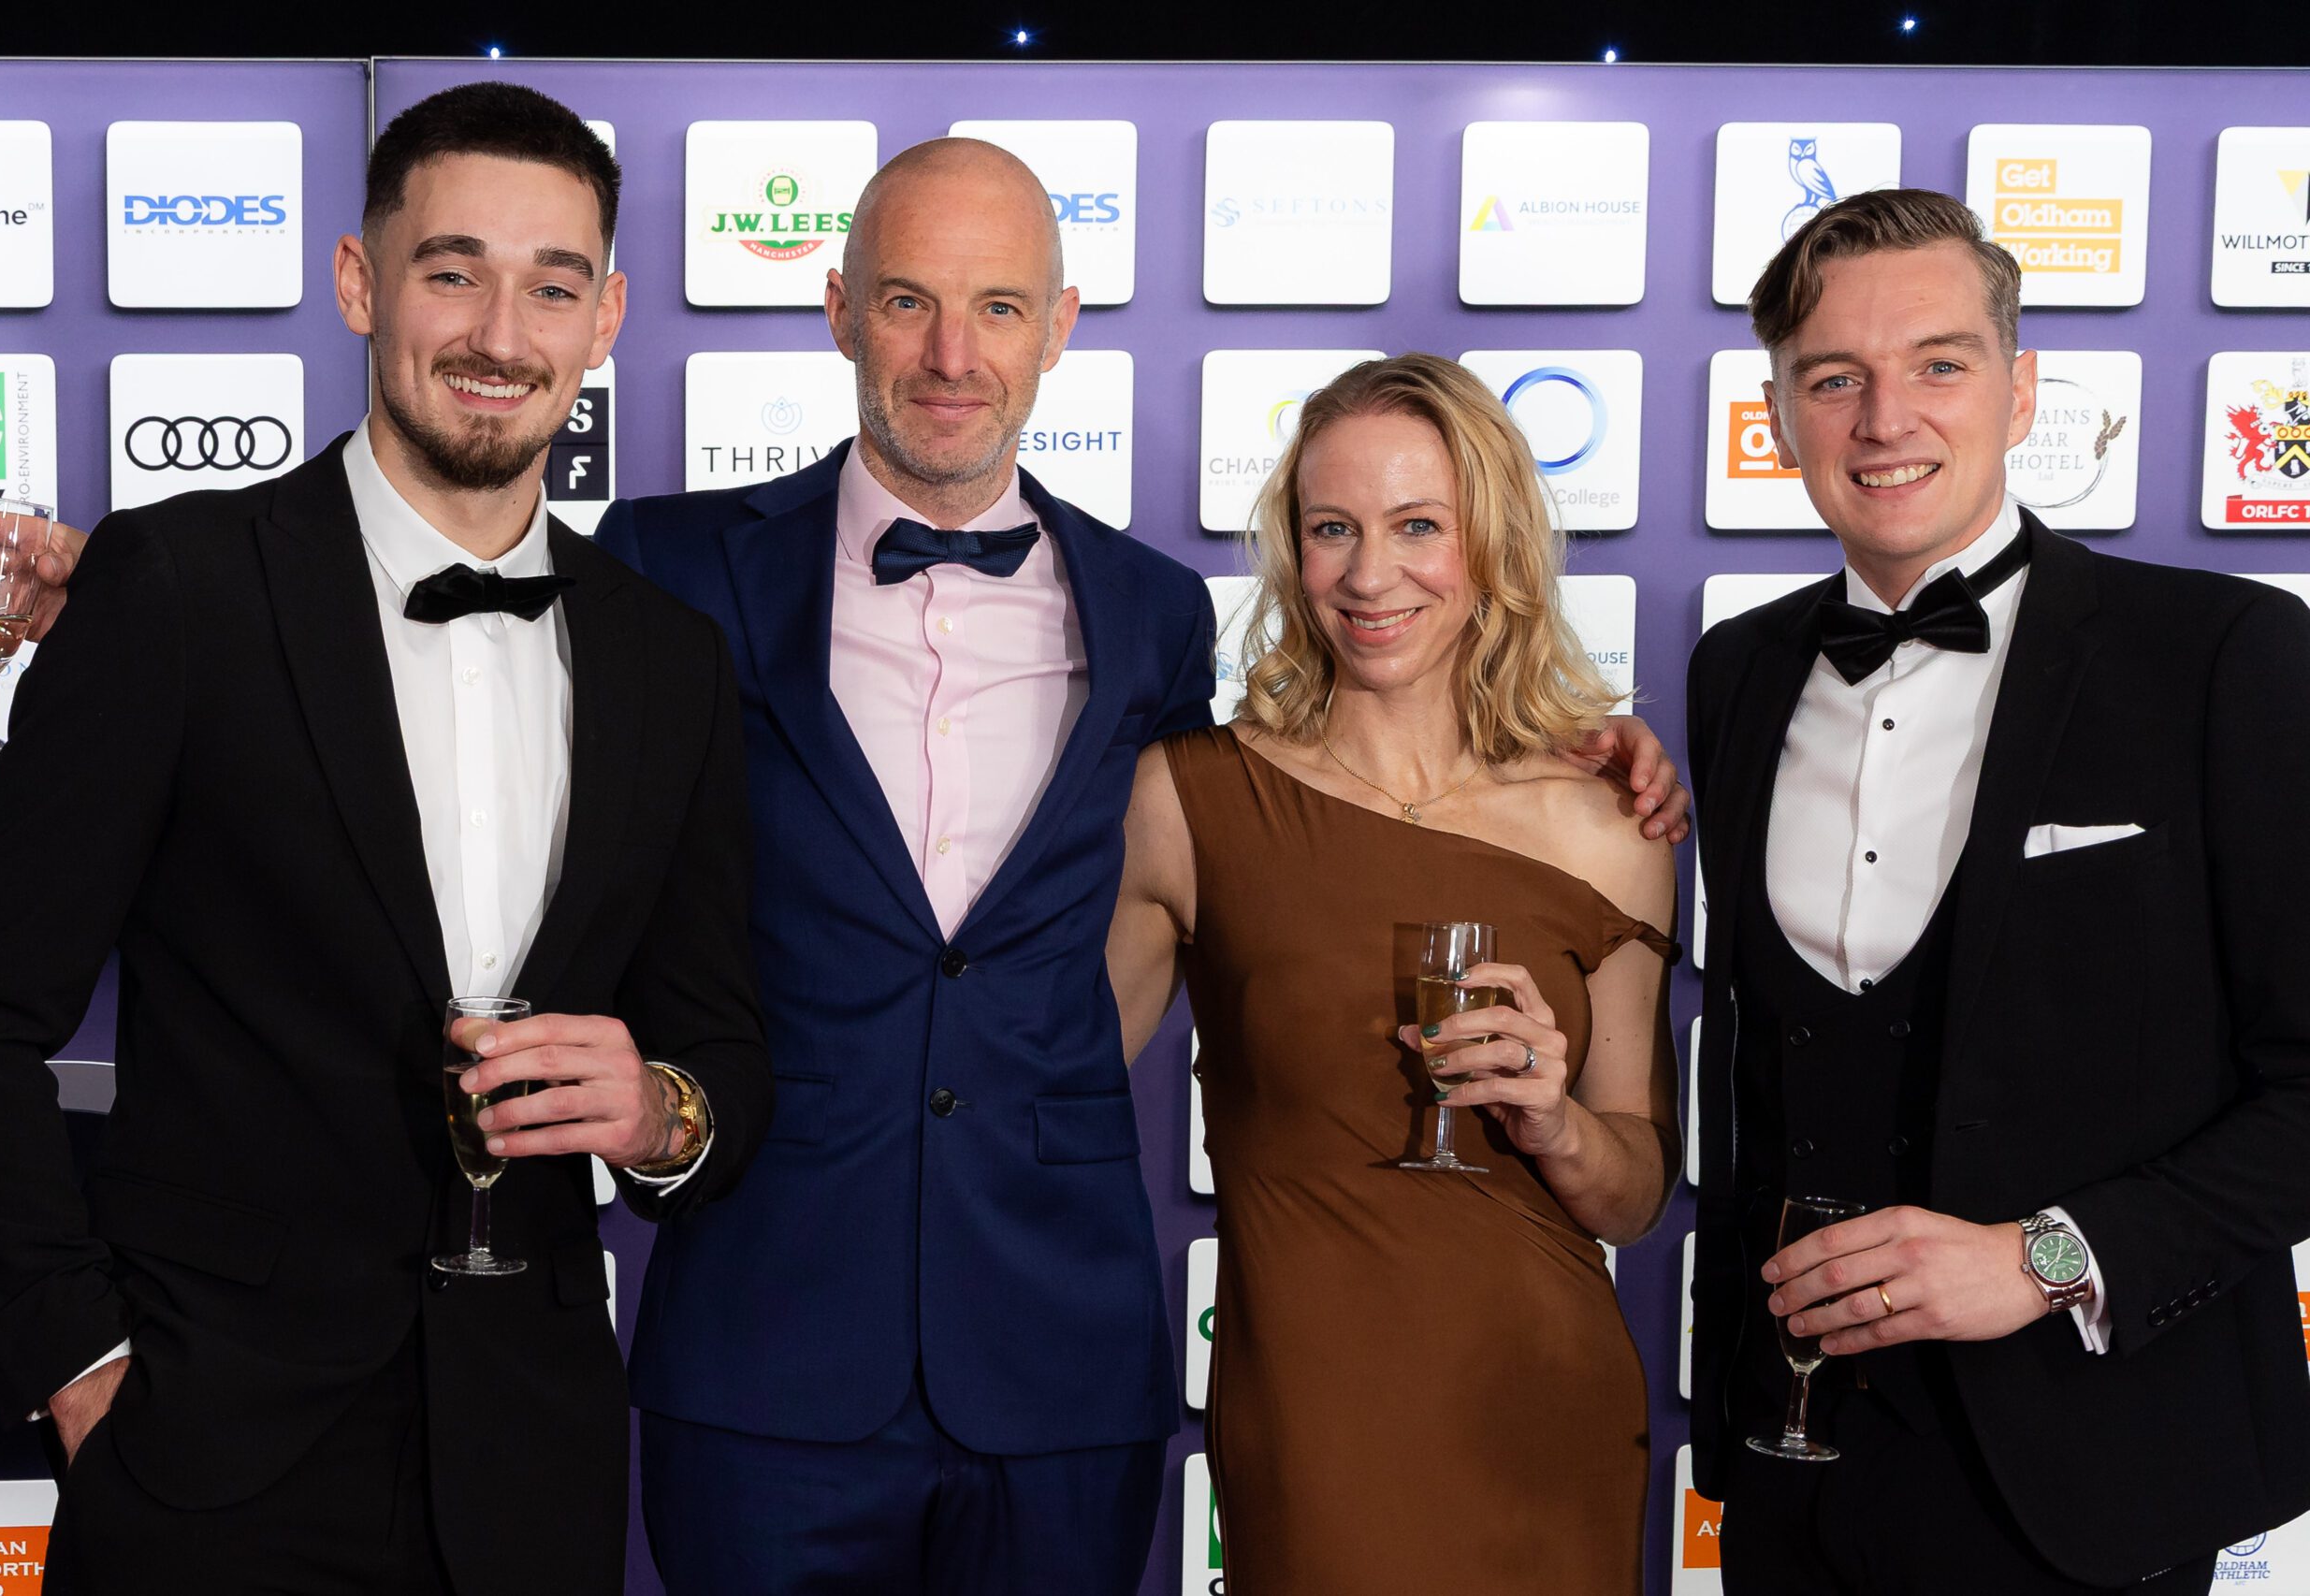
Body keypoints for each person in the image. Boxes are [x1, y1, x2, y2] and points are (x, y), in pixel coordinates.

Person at [597, 148, 1690, 1592]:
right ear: (841, 308)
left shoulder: (1152, 615)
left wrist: (1578, 746)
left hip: (1061, 1365)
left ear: (1058, 326)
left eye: (999, 306)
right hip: (767, 1345)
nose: (952, 353)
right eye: (910, 300)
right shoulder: (667, 564)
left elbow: (1119, 962)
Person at [0, 81, 770, 1596]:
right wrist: (78, 1365)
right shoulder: (178, 588)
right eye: (453, 270)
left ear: (607, 316)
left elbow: (721, 1043)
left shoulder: (672, 659)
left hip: (534, 1466)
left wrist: (661, 1113)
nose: (500, 333)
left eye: (552, 284)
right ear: (361, 283)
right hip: (203, 1460)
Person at [1688, 186, 2310, 1595]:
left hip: (2094, 1479)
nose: (1884, 419)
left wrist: (2045, 1259)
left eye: (1939, 364)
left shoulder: (2222, 654)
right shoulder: (1737, 672)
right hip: (1790, 1464)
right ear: (1776, 417)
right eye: (1833, 379)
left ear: (2020, 391)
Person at [1110, 352, 1682, 1593]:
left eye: (1419, 525)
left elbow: (1636, 1195)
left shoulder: (1612, 822)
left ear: (1492, 542)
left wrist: (1557, 1122)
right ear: (1293, 549)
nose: (1371, 575)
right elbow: (1050, 1084)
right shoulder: (1190, 802)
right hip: (1315, 1426)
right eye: (1334, 529)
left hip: (1543, 1416)